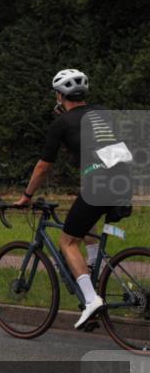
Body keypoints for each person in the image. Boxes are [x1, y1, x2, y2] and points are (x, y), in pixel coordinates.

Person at [15, 69, 132, 329]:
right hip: (122, 182)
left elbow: (43, 167)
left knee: (67, 241)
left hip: (98, 186)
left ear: (60, 95)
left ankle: (91, 300)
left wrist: (27, 196)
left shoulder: (61, 123)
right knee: (87, 225)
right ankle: (92, 269)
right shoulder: (102, 113)